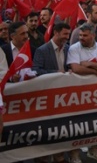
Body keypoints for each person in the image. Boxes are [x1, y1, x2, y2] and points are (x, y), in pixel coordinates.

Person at [67, 23, 97, 161]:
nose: (81, 38)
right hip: (78, 93)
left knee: (96, 122)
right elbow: (76, 68)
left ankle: (94, 149)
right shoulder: (74, 48)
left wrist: (89, 64)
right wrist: (95, 70)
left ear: (93, 35)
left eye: (85, 35)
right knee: (77, 125)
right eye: (80, 35)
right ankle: (74, 155)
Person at [31, 22, 72, 163]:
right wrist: (55, 73)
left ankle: (59, 157)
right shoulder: (42, 50)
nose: (67, 37)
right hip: (47, 97)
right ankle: (43, 158)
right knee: (46, 129)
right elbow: (36, 70)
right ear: (56, 32)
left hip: (64, 97)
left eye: (68, 34)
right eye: (65, 34)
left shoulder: (68, 49)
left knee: (62, 129)